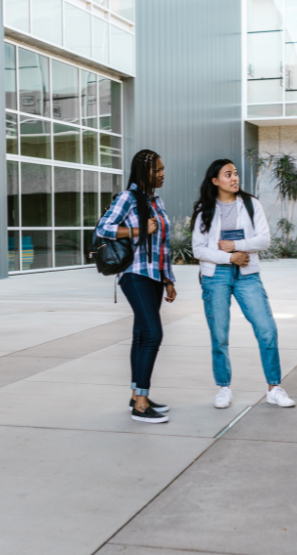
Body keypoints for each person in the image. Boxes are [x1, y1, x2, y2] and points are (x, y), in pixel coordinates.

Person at [191, 159, 295, 409]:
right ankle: (223, 388)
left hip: (247, 274)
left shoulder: (250, 204)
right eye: (228, 174)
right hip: (216, 276)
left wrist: (237, 246)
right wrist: (229, 257)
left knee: (267, 329)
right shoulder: (204, 209)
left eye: (235, 173)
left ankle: (274, 388)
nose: (234, 178)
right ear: (215, 181)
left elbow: (264, 239)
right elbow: (198, 249)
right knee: (220, 335)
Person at [96, 150, 177, 424]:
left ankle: (136, 395)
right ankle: (140, 405)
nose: (162, 173)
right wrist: (138, 230)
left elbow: (163, 245)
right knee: (153, 334)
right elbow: (103, 228)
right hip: (135, 274)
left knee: (142, 335)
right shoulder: (127, 198)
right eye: (157, 170)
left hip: (154, 276)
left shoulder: (156, 200)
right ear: (143, 172)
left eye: (163, 169)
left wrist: (168, 279)